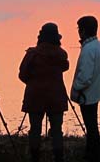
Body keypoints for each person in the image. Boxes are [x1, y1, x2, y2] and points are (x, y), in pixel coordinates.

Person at [19, 23, 69, 162]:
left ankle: (35, 157)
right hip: (56, 96)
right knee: (57, 130)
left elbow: (22, 74)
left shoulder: (32, 54)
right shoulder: (61, 54)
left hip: (35, 96)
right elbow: (65, 66)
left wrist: (34, 81)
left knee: (35, 129)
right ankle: (58, 157)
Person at [70, 16, 100, 162]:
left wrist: (76, 87)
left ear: (83, 31)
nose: (78, 32)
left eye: (79, 29)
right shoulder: (98, 45)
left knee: (91, 125)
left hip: (87, 94)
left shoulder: (87, 49)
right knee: (92, 123)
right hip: (96, 92)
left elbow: (85, 76)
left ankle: (93, 153)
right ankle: (93, 150)